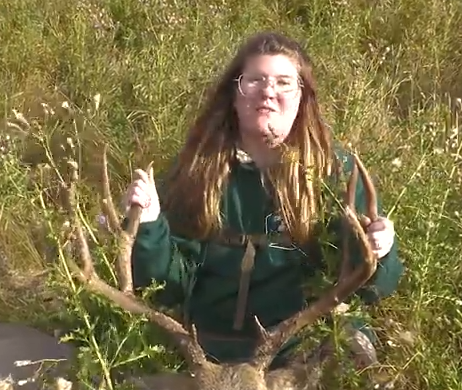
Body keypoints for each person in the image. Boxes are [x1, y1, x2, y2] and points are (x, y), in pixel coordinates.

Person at [121, 31, 404, 371]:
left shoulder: (336, 173)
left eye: (284, 83)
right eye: (255, 80)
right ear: (235, 96)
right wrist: (150, 226)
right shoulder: (198, 171)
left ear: (302, 98)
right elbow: (165, 289)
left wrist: (379, 250)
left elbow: (373, 289)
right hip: (211, 352)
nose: (268, 92)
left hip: (303, 348)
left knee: (350, 368)